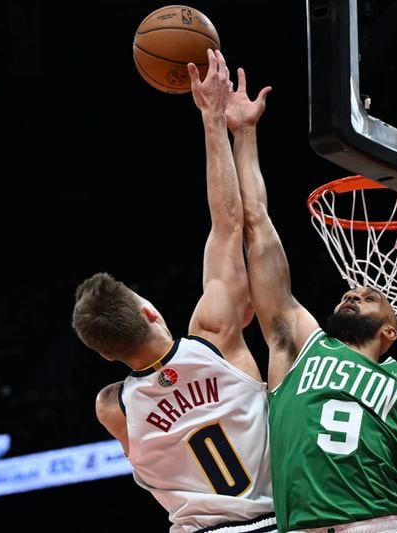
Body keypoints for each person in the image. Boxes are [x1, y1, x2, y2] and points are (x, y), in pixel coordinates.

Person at [224, 66, 397, 532]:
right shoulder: (296, 346)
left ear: (391, 329)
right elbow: (257, 225)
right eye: (353, 291)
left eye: (370, 296)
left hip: (373, 524)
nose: (355, 290)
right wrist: (244, 135)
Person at [71, 49, 276, 533]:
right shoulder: (216, 338)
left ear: (104, 355)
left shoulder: (111, 408)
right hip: (273, 522)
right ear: (147, 311)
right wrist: (214, 120)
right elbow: (228, 224)